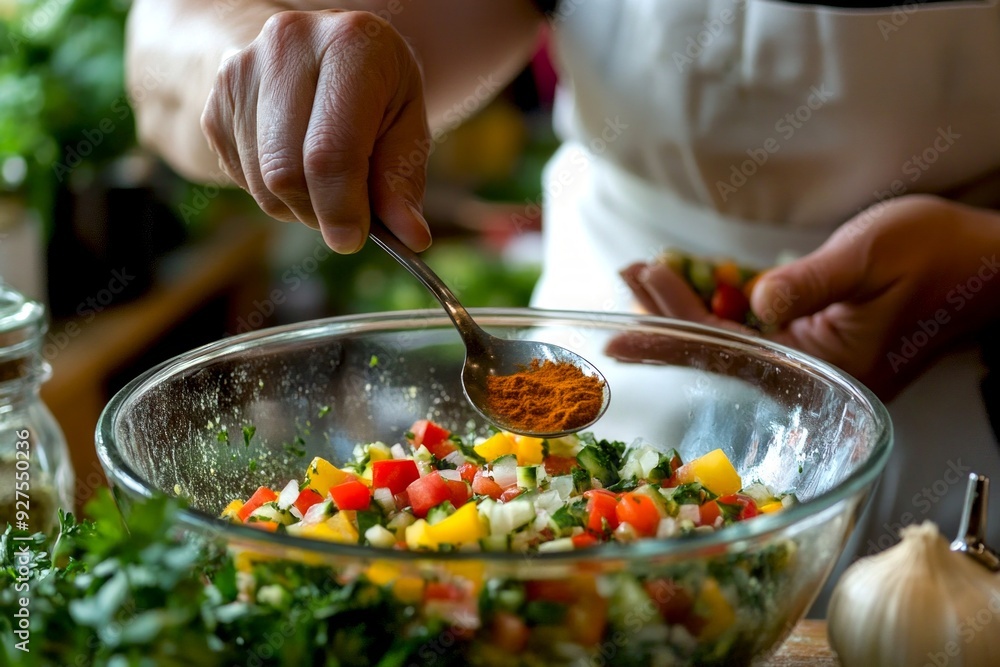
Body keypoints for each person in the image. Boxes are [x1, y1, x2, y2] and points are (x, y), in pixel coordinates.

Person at [125, 0, 1000, 610]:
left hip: (970, 397)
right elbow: (163, 42)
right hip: (607, 336)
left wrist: (982, 270)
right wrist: (258, 59)